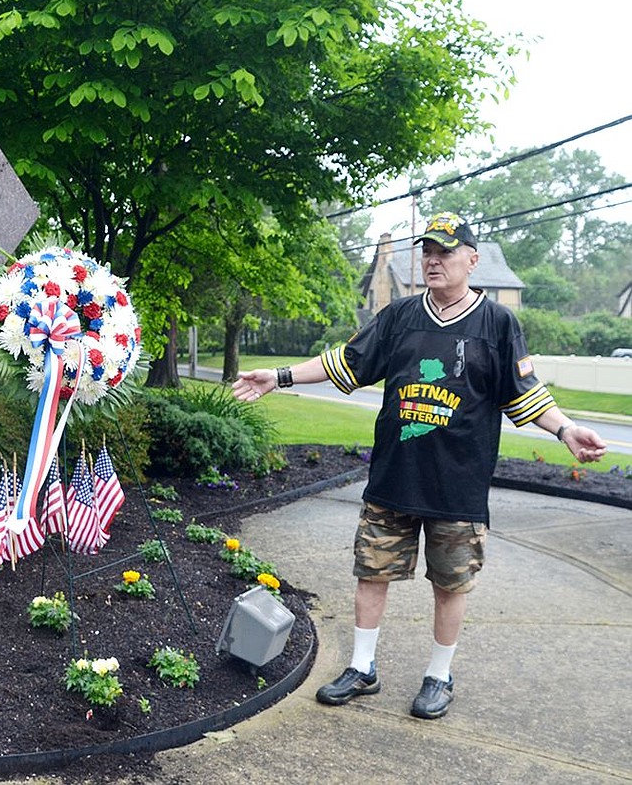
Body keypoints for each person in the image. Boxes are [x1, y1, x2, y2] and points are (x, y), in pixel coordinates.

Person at [232, 211, 607, 720]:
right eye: (428, 251)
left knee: (450, 583)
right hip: (394, 477)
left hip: (458, 485)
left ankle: (438, 675)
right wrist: (279, 376)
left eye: (445, 252)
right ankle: (362, 668)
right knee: (371, 573)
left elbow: (524, 395)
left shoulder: (497, 324)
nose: (434, 260)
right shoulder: (400, 316)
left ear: (472, 261)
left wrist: (565, 430)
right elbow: (345, 362)